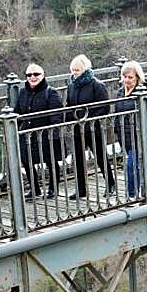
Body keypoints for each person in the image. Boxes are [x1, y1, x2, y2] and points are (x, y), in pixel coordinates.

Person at [66, 54, 114, 199]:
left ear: (85, 69)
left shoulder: (97, 85)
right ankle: (81, 189)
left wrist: (89, 118)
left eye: (77, 70)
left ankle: (111, 184)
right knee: (79, 159)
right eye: (73, 70)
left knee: (100, 157)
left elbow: (105, 107)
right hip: (77, 128)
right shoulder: (71, 86)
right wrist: (71, 117)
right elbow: (69, 105)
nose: (74, 73)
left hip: (93, 128)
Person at [15, 63, 62, 199]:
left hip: (45, 133)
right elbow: (17, 112)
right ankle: (35, 189)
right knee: (26, 160)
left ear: (43, 75)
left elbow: (57, 115)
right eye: (29, 75)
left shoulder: (50, 92)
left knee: (50, 161)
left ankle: (53, 188)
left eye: (36, 74)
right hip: (27, 133)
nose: (32, 77)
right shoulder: (23, 92)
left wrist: (54, 133)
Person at [113, 59, 147, 200]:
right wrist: (117, 128)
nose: (127, 80)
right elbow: (116, 112)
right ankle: (134, 192)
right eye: (125, 77)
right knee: (133, 165)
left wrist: (139, 127)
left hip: (137, 135)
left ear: (138, 78)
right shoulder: (121, 92)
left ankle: (133, 194)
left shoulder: (143, 93)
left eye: (130, 77)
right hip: (124, 136)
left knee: (131, 165)